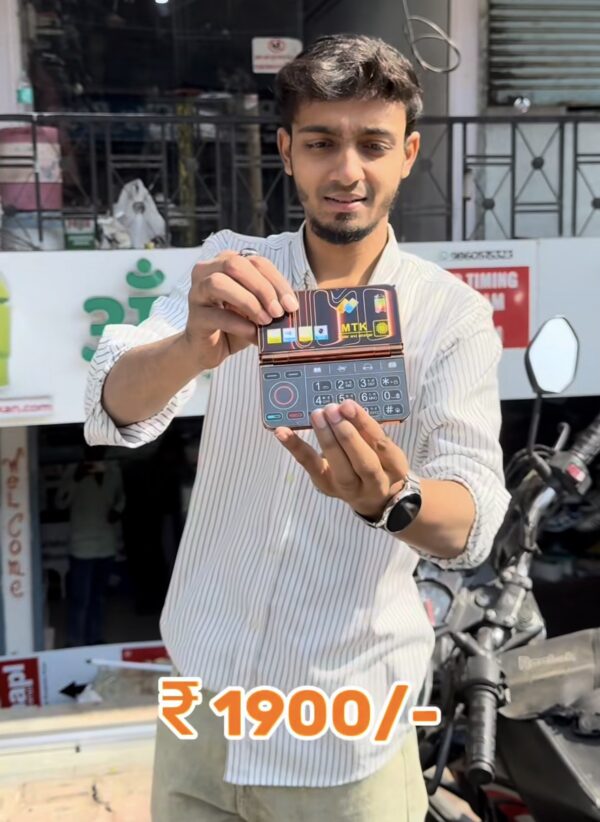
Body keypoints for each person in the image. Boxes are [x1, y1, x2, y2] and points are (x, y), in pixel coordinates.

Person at [84, 34, 510, 822]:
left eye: (372, 144)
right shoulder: (231, 266)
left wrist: (394, 499)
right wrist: (187, 348)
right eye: (321, 143)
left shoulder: (451, 315)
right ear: (285, 150)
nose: (346, 171)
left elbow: (475, 517)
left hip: (346, 734)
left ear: (408, 154)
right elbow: (112, 405)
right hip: (203, 711)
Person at [56, 448, 125, 647]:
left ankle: (95, 638)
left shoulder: (113, 470)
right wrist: (76, 479)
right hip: (82, 545)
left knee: (99, 597)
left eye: (100, 446)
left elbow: (121, 497)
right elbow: (60, 503)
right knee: (80, 598)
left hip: (106, 543)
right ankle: (75, 641)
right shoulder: (73, 470)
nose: (96, 450)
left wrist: (118, 510)